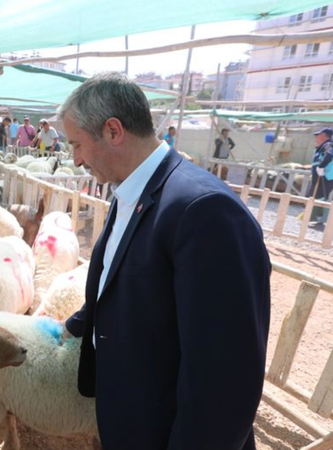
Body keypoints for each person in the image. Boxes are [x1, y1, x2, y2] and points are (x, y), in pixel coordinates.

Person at [61, 72, 270, 449]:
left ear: (113, 131)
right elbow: (118, 279)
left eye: (77, 145)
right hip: (131, 416)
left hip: (167, 431)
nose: (74, 160)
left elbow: (224, 376)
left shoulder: (204, 210)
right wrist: (71, 325)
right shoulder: (130, 192)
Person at [308, 128, 333, 223]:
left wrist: (321, 166)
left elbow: (329, 155)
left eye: (318, 135)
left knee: (321, 195)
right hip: (320, 175)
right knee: (314, 194)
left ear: (323, 135)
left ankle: (319, 218)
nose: (316, 137)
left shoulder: (328, 145)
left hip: (325, 176)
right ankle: (312, 216)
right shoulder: (322, 146)